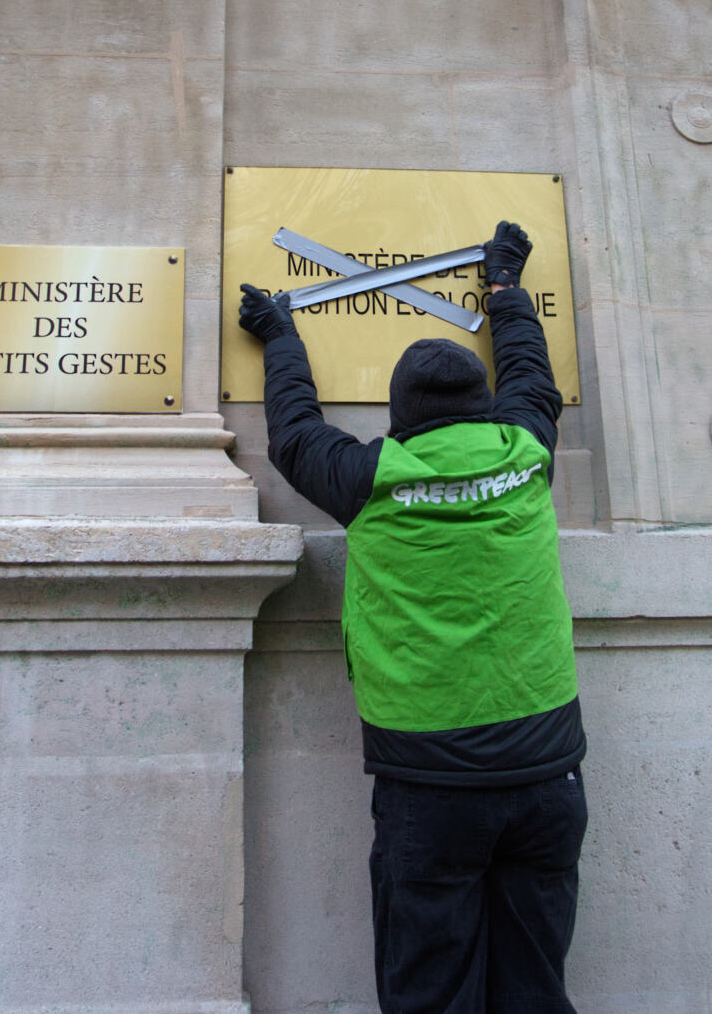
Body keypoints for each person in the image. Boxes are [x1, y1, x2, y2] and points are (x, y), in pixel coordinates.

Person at [237, 221, 586, 1013]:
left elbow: (294, 436)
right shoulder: (526, 450)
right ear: (481, 406)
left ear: (401, 415)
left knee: (430, 993)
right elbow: (533, 374)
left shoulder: (372, 476)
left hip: (431, 791)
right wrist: (503, 286)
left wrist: (281, 336)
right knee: (536, 989)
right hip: (547, 776)